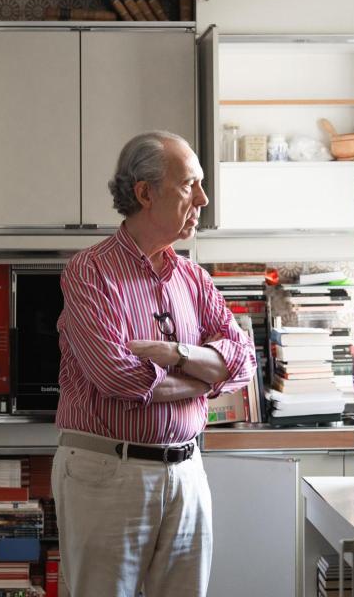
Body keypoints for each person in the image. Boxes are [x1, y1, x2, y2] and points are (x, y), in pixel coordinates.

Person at [52, 130, 257, 597]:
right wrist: (205, 379)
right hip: (107, 471)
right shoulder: (90, 271)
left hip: (187, 471)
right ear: (145, 193)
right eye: (190, 185)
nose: (203, 198)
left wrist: (178, 354)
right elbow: (116, 376)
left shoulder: (193, 277)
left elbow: (243, 362)